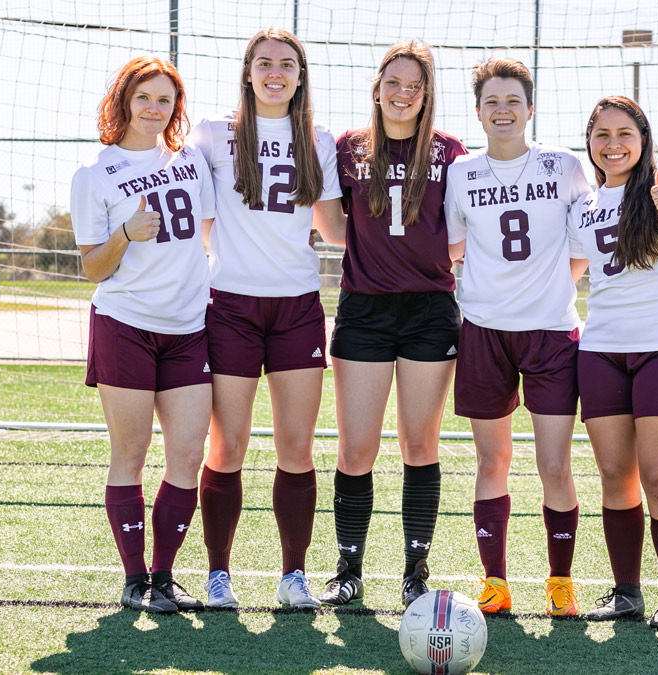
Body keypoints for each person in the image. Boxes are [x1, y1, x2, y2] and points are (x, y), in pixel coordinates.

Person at [189, 28, 342, 609]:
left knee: (295, 447)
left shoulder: (317, 138)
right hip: (230, 304)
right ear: (248, 71)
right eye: (264, 63)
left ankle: (293, 575)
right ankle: (218, 574)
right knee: (226, 445)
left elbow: (332, 229)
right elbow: (200, 215)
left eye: (286, 65)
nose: (274, 73)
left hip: (297, 306)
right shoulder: (212, 132)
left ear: (300, 76)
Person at [312, 41, 467, 608]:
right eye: (394, 83)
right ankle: (348, 569)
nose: (404, 94)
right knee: (356, 448)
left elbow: (464, 230)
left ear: (428, 95)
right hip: (365, 308)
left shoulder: (451, 152)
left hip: (430, 308)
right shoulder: (349, 148)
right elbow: (331, 228)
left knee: (420, 442)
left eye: (416, 85)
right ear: (377, 87)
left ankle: (414, 571)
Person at [443, 58, 592, 616]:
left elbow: (579, 251)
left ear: (530, 109)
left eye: (513, 101)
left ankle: (560, 581)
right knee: (491, 461)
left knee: (554, 464)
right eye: (491, 102)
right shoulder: (462, 172)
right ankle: (496, 582)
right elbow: (456, 249)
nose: (502, 110)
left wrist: (545, 294)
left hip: (551, 334)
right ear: (478, 112)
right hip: (484, 332)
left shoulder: (563, 165)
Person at [70, 55, 215, 613]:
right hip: (125, 325)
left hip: (187, 329)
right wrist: (127, 233)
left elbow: (201, 233)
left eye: (165, 99)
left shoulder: (189, 162)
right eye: (144, 98)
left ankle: (163, 576)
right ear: (124, 103)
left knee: (186, 453)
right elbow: (91, 267)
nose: (155, 109)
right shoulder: (96, 173)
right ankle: (134, 580)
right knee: (130, 452)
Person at [568, 95, 658, 631]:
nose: (613, 144)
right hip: (601, 347)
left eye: (624, 133)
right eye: (602, 135)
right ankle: (626, 591)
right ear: (591, 144)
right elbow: (575, 268)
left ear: (643, 138)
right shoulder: (585, 206)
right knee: (614, 475)